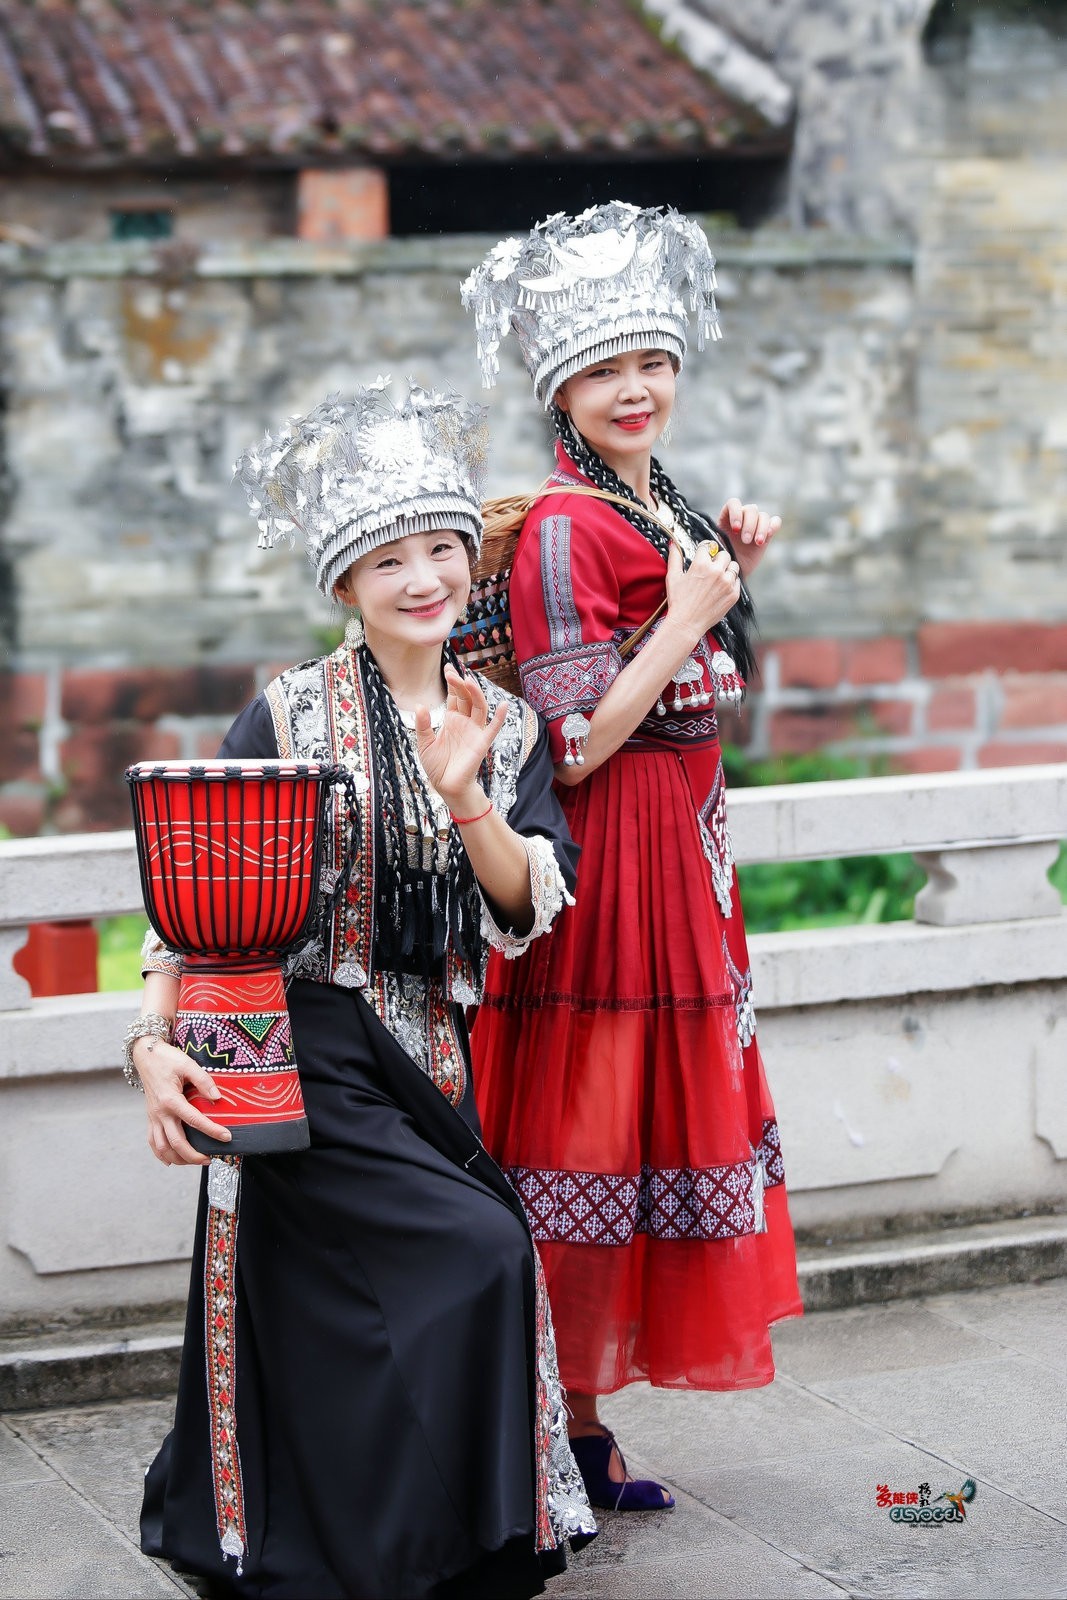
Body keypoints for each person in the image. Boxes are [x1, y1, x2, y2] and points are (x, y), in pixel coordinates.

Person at [123, 381, 596, 1599]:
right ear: (345, 583)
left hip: (428, 1047)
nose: (422, 576)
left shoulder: (504, 727)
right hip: (293, 1038)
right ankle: (357, 1531)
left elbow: (517, 914)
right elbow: (190, 897)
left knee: (434, 1273)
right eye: (388, 558)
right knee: (477, 1251)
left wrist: (464, 795)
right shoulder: (284, 713)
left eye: (441, 548)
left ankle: (414, 1537)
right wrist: (149, 1045)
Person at [461, 203, 803, 1510]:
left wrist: (723, 571)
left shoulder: (645, 500)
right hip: (606, 873)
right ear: (560, 386)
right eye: (607, 369)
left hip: (681, 867)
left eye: (651, 361)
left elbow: (696, 688)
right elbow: (577, 738)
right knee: (584, 1137)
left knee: (640, 1136)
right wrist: (692, 607)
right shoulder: (562, 524)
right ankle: (551, 1422)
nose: (636, 387)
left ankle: (576, 1426)